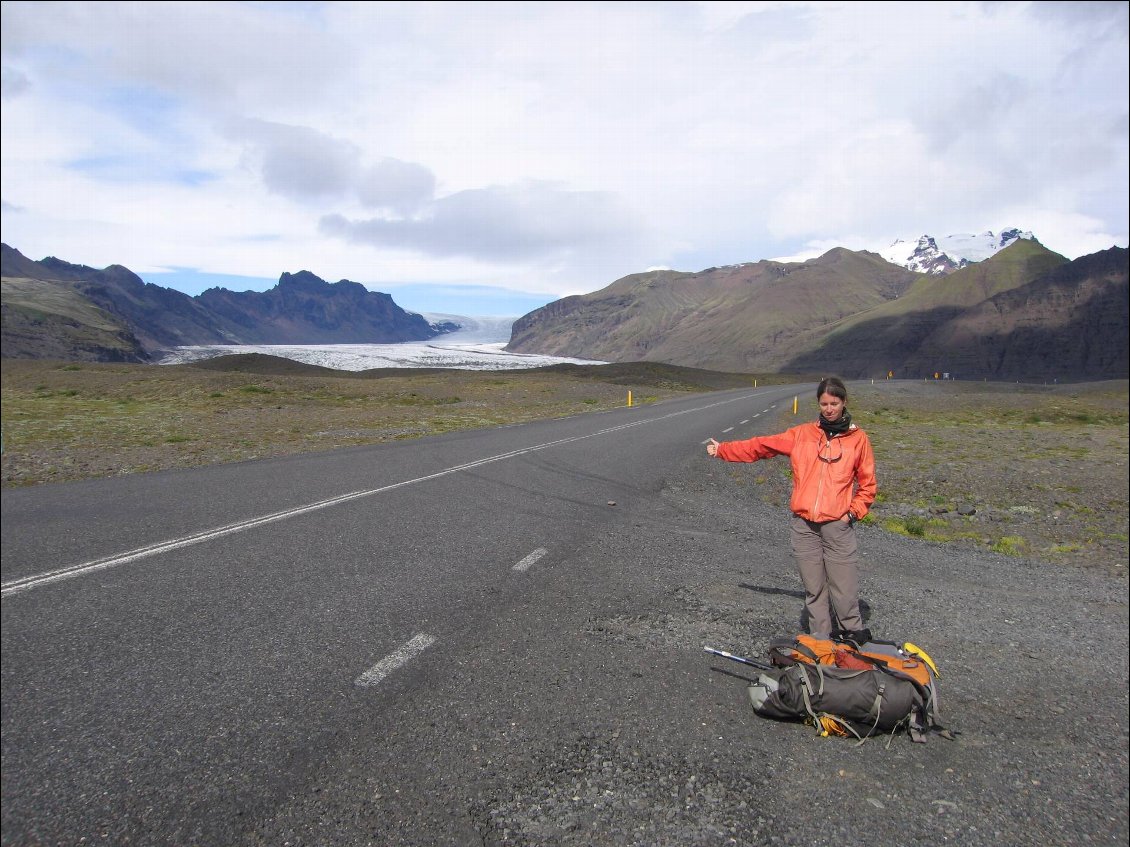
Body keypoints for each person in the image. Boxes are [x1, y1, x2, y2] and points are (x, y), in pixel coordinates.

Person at [706, 376, 876, 640]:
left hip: (838, 527)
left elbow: (868, 484)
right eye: (824, 403)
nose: (829, 409)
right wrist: (724, 450)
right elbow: (761, 445)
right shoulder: (802, 435)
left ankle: (853, 643)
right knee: (814, 590)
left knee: (844, 591)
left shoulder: (858, 439)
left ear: (844, 402)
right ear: (818, 404)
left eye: (834, 403)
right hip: (804, 526)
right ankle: (820, 645)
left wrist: (851, 513)